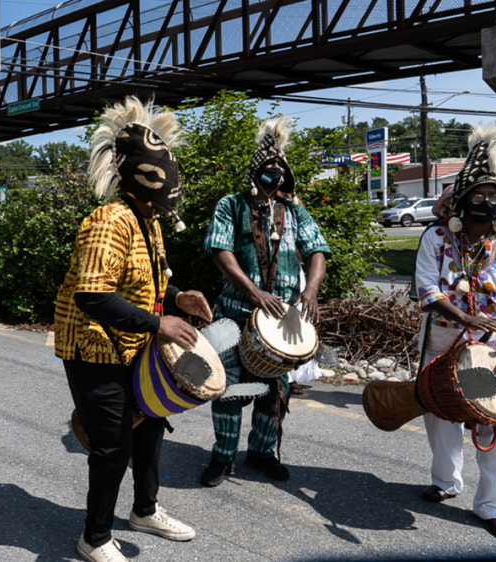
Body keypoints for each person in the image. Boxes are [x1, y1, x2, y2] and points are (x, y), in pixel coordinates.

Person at [55, 96, 213, 562]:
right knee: (112, 445)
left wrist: (179, 296)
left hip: (135, 344)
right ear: (142, 181)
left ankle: (144, 510)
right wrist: (158, 322)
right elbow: (92, 295)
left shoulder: (150, 222)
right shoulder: (107, 222)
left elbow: (153, 279)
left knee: (150, 429)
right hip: (93, 347)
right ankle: (95, 538)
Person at [200, 117, 331, 487]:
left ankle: (261, 452)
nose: (275, 171)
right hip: (234, 315)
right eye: (268, 167)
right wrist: (254, 293)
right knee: (226, 387)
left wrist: (311, 291)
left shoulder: (293, 211)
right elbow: (220, 251)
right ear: (255, 171)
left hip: (282, 319)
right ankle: (222, 457)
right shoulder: (231, 205)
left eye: (280, 167)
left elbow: (317, 250)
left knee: (276, 391)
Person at [415, 122, 496, 542]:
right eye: (477, 196)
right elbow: (426, 288)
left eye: (493, 196)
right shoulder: (436, 237)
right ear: (461, 201)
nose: (486, 202)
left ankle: (495, 507)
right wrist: (464, 320)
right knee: (440, 412)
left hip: (495, 348)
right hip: (443, 339)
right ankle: (446, 481)